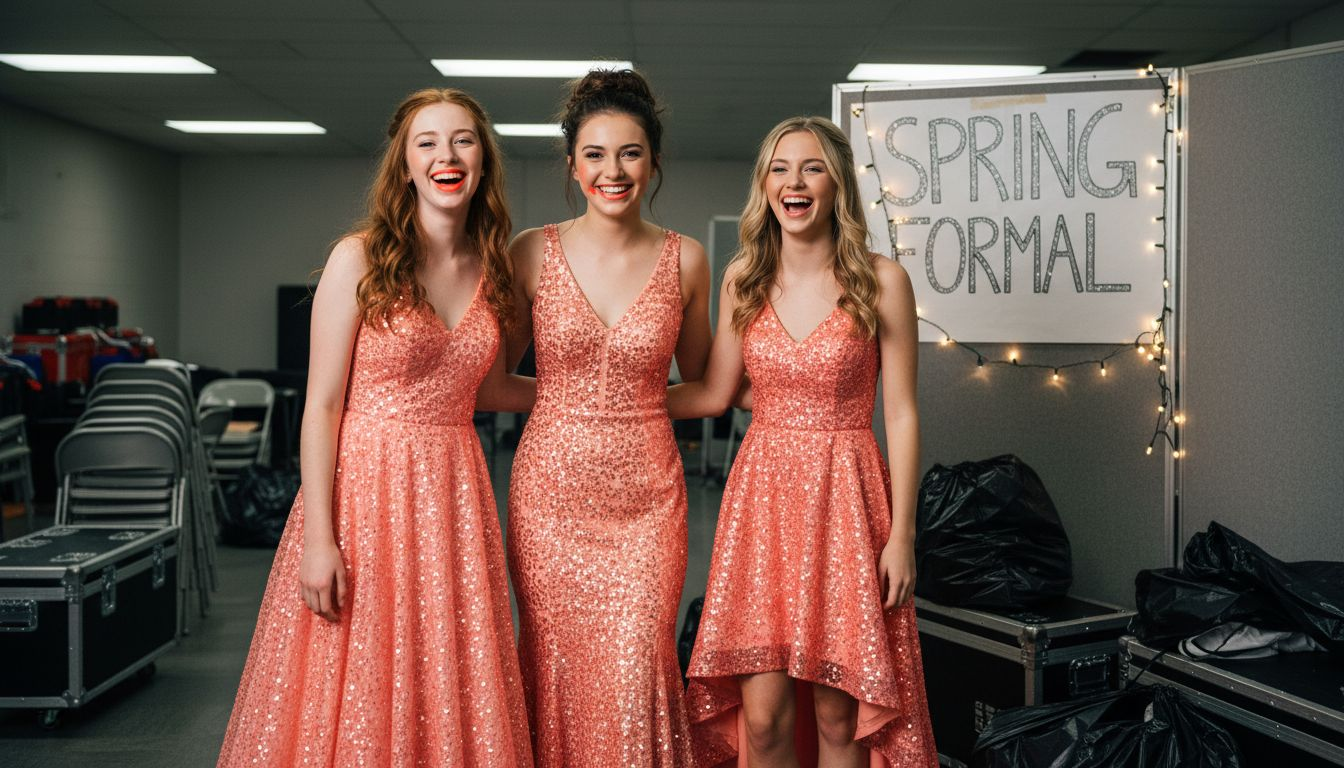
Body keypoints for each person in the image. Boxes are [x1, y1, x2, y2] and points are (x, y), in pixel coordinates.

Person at [217, 88, 535, 767]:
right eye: (428, 142)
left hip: (453, 496)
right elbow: (323, 404)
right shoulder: (358, 259)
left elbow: (495, 388)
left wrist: (597, 394)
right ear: (405, 163)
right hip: (364, 494)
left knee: (443, 673)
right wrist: (317, 541)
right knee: (354, 672)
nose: (446, 156)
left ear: (483, 161)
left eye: (463, 141)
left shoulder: (496, 270)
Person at [671, 116, 937, 767]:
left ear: (837, 183)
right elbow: (720, 389)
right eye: (780, 168)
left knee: (838, 711)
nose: (794, 182)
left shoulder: (883, 281)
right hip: (761, 503)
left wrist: (901, 535)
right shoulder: (744, 279)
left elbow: (900, 412)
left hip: (848, 501)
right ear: (764, 185)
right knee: (761, 718)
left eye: (811, 167)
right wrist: (607, 401)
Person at [504, 68, 711, 767]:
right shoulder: (531, 251)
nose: (612, 170)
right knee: (556, 670)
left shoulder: (687, 259)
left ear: (653, 161)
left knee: (635, 669)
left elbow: (707, 385)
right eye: (594, 154)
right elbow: (488, 376)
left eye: (629, 153)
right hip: (549, 500)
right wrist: (570, 404)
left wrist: (633, 407)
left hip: (647, 503)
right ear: (571, 164)